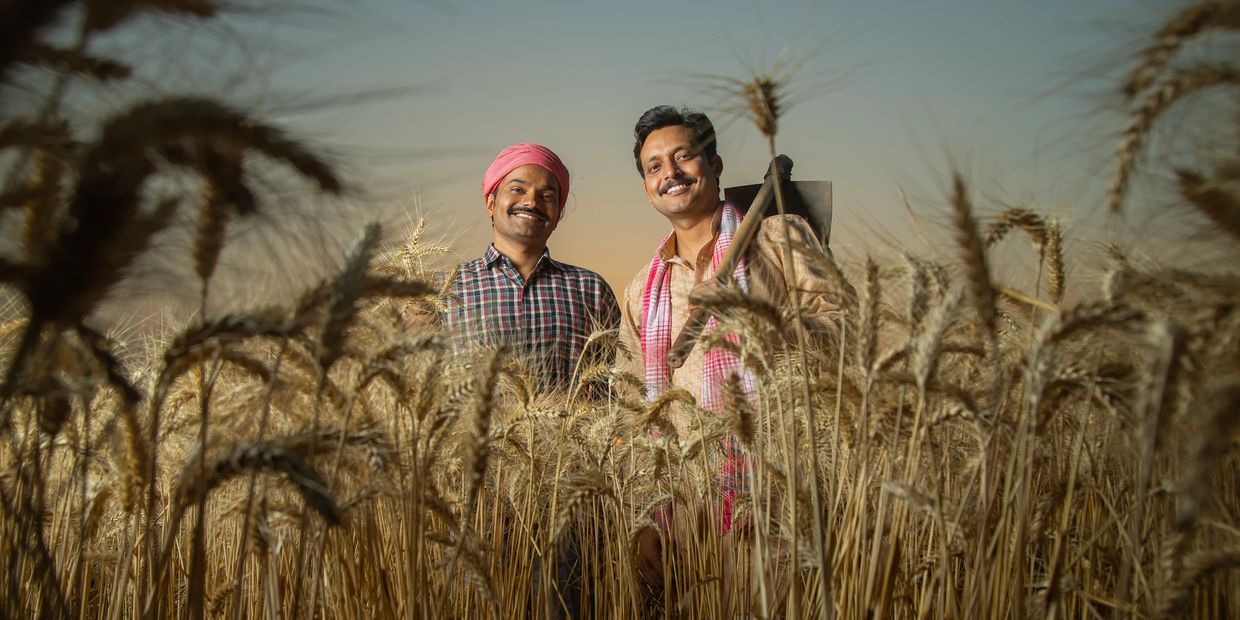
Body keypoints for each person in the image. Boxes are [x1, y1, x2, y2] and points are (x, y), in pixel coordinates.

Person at [618, 105, 839, 614]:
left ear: (714, 166)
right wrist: (644, 518)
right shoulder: (641, 290)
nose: (669, 173)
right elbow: (634, 410)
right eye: (654, 167)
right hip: (680, 512)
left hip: (774, 500)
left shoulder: (779, 238)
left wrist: (757, 321)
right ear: (646, 186)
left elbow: (844, 333)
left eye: (683, 157)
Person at [443, 143, 621, 392]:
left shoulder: (590, 289)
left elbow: (612, 391)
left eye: (547, 196)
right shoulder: (444, 290)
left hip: (567, 432)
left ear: (558, 215)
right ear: (491, 204)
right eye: (517, 189)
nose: (531, 202)